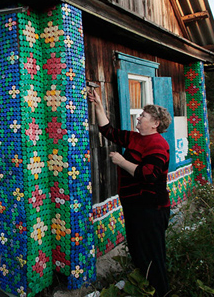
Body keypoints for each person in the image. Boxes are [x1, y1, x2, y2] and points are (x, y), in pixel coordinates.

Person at [88, 88, 172, 297]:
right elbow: (109, 131)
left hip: (151, 208)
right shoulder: (136, 138)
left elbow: (149, 174)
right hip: (135, 206)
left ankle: (161, 292)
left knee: (153, 254)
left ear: (155, 123)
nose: (139, 116)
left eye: (144, 115)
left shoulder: (158, 144)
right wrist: (98, 104)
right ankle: (145, 288)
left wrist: (122, 161)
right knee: (138, 251)